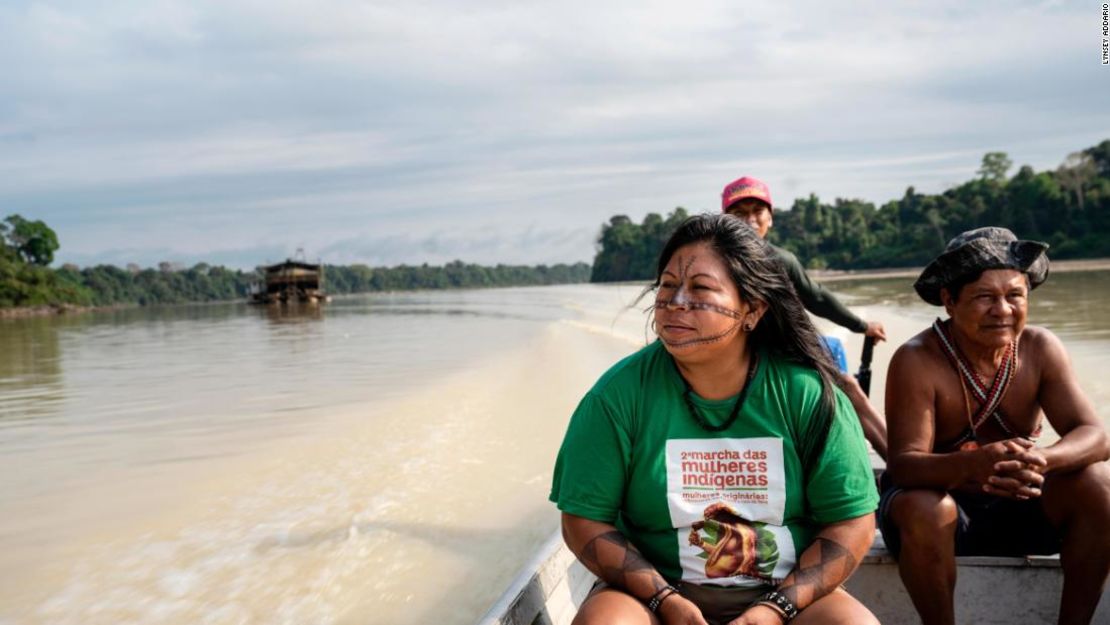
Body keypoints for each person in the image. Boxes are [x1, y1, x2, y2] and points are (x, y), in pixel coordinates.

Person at [550, 214, 879, 625]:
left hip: (788, 597)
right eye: (667, 286)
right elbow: (584, 519)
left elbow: (851, 521)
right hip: (650, 596)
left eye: (700, 288)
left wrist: (775, 610)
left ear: (752, 310)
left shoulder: (806, 394)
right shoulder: (617, 396)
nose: (675, 302)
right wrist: (666, 601)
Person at [881, 227, 1110, 625]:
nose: (1002, 310)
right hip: (944, 520)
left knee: (1100, 484)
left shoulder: (1040, 348)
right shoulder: (916, 359)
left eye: (1014, 296)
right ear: (950, 301)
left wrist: (1041, 460)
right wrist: (973, 465)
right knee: (924, 506)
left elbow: (1095, 435)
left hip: (1023, 504)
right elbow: (904, 466)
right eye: (985, 297)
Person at [720, 176, 887, 459]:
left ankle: (901, 464)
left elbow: (817, 298)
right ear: (725, 221)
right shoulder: (715, 262)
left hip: (782, 353)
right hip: (731, 356)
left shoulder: (781, 261)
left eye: (757, 212)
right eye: (739, 213)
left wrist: (862, 326)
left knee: (848, 389)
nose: (749, 219)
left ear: (769, 219)